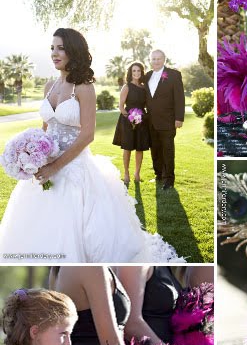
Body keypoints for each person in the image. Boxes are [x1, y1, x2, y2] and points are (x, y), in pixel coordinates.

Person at [0, 28, 180, 263]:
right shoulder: (49, 87)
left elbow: (87, 135)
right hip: (43, 167)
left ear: (73, 51)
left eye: (60, 48)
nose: (54, 53)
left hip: (73, 168)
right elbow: (44, 128)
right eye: (52, 48)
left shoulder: (84, 87)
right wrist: (30, 155)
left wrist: (55, 166)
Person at [144, 48, 184, 190]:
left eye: (159, 58)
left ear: (164, 59)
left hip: (168, 121)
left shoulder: (174, 75)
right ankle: (159, 175)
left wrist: (179, 118)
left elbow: (179, 98)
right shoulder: (147, 76)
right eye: (153, 59)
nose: (156, 61)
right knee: (155, 149)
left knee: (167, 151)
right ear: (150, 60)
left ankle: (169, 180)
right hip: (151, 121)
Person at [112, 61, 150, 185]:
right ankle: (126, 173)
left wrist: (141, 118)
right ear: (130, 73)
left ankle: (137, 173)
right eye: (134, 71)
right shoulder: (126, 86)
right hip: (127, 120)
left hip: (142, 120)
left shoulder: (145, 87)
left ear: (141, 72)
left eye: (138, 71)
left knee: (140, 148)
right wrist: (130, 118)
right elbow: (121, 106)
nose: (136, 73)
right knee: (127, 148)